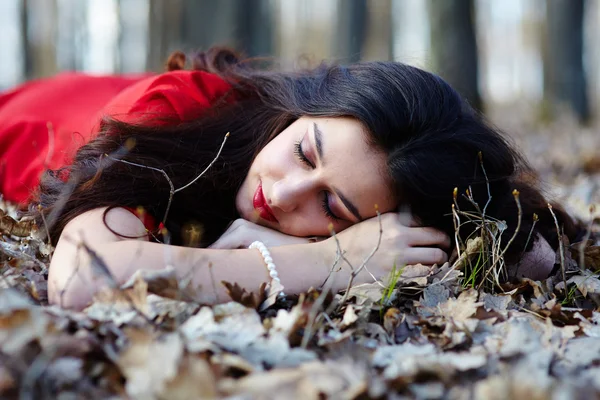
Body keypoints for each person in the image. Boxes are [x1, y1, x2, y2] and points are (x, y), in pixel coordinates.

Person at [0, 48, 576, 310]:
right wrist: (324, 261)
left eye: (331, 204)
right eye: (304, 152)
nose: (279, 195)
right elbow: (80, 279)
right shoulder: (175, 121)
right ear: (302, 108)